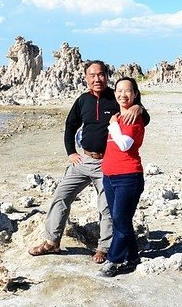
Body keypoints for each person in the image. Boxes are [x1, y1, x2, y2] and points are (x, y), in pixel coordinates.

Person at [28, 60, 150, 263]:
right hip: (83, 159)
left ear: (106, 76)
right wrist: (71, 152)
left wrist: (138, 107)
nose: (97, 79)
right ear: (85, 79)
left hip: (107, 163)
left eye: (100, 74)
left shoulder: (117, 97)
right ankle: (52, 242)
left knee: (106, 208)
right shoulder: (82, 100)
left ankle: (104, 248)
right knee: (61, 196)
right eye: (92, 75)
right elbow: (70, 125)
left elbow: (143, 119)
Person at [96, 77, 146, 278]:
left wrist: (113, 125)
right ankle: (133, 257)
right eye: (119, 90)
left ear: (134, 94)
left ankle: (113, 261)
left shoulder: (134, 118)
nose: (122, 94)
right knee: (121, 221)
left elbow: (125, 144)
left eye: (127, 91)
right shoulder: (118, 115)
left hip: (128, 177)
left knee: (120, 220)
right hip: (109, 176)